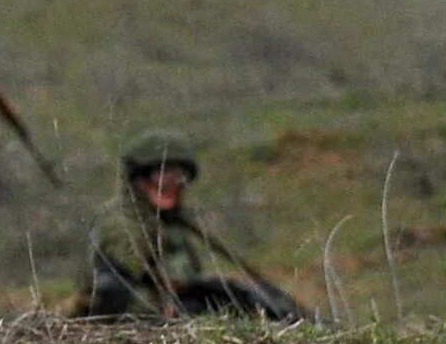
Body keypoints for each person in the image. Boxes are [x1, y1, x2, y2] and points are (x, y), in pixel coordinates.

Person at [74, 130, 303, 321]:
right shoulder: (121, 222)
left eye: (179, 177)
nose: (171, 185)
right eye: (161, 176)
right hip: (138, 316)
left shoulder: (171, 221)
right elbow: (120, 282)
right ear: (139, 179)